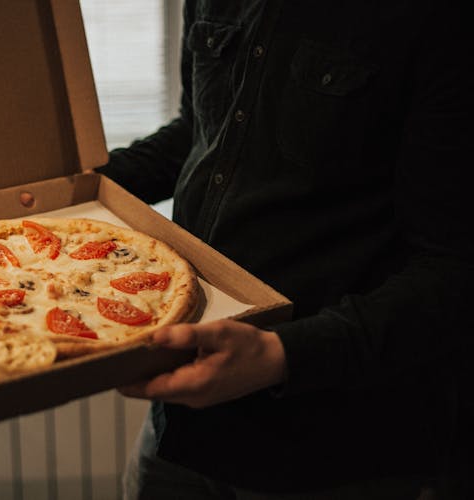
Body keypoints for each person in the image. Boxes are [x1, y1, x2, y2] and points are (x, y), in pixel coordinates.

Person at [96, 0, 473, 498]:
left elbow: (454, 267)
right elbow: (202, 130)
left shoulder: (438, 19)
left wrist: (280, 355)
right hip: (184, 422)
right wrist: (81, 183)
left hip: (337, 444)